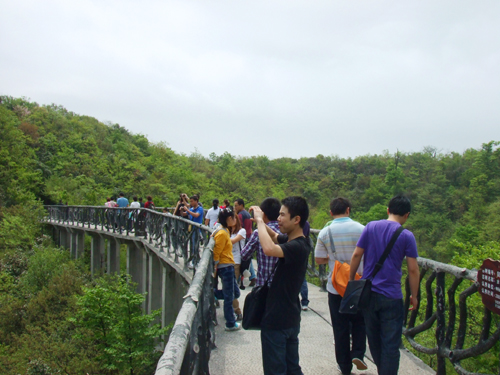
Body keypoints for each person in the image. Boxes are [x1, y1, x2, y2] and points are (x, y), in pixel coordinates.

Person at [349, 195, 420, 375]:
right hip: (392, 296)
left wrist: (351, 281)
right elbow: (413, 270)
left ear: (388, 210)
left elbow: (357, 255)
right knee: (391, 344)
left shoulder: (371, 227)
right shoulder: (407, 236)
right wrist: (414, 295)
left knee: (374, 340)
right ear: (407, 215)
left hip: (369, 294)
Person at [249, 196, 311, 375]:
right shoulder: (299, 241)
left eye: (283, 215)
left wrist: (260, 221)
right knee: (292, 369)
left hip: (277, 319)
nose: (278, 219)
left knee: (276, 370)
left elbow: (269, 249)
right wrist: (260, 220)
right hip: (290, 318)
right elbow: (275, 237)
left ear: (296, 219)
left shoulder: (297, 246)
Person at [315, 198, 367, 374]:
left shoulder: (325, 232)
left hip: (336, 286)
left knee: (340, 326)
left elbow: (319, 259)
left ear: (331, 213)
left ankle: (344, 366)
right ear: (348, 210)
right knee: (360, 321)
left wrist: (334, 258)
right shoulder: (363, 230)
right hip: (358, 283)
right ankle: (359, 353)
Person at [240, 197, 281, 286]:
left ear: (263, 215)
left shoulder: (258, 233)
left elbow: (244, 255)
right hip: (283, 287)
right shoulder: (285, 231)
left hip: (263, 286)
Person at [213, 207, 241, 331]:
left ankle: (213, 294)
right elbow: (216, 251)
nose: (235, 219)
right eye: (234, 217)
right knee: (229, 297)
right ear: (229, 219)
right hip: (225, 267)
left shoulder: (225, 230)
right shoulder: (222, 233)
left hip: (228, 265)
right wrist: (215, 265)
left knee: (235, 293)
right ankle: (230, 322)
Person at [234, 198, 257, 287]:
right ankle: (252, 277)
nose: (235, 207)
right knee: (248, 258)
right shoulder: (247, 214)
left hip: (243, 238)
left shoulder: (240, 215)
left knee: (244, 258)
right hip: (248, 236)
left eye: (236, 205)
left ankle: (247, 277)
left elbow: (238, 226)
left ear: (241, 205)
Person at [229, 214, 246, 321]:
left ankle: (237, 311)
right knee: (229, 286)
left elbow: (232, 241)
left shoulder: (242, 231)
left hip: (236, 261)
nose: (231, 220)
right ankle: (232, 309)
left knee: (231, 286)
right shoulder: (226, 231)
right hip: (226, 261)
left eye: (233, 218)